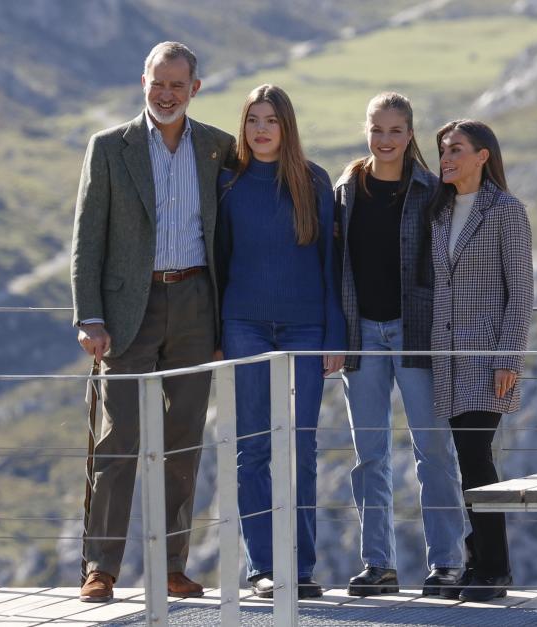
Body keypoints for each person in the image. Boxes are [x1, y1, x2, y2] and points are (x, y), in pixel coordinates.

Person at [70, 41, 236, 603]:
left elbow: (233, 235)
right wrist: (89, 316)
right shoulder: (109, 147)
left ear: (195, 89)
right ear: (142, 81)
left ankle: (171, 565)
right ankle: (101, 568)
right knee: (117, 439)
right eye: (157, 83)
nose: (166, 94)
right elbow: (87, 238)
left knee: (183, 440)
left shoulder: (219, 148)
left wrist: (225, 322)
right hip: (125, 314)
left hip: (195, 305)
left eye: (177, 85)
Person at [216, 84, 345, 600]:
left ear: (287, 126)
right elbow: (219, 263)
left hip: (307, 329)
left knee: (303, 448)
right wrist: (217, 335)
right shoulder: (228, 183)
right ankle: (263, 569)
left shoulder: (313, 182)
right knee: (253, 449)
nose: (261, 129)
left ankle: (302, 567)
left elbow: (331, 266)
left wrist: (335, 334)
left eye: (271, 119)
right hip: (244, 325)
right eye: (253, 120)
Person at [335, 93, 466, 597]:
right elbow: (335, 266)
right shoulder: (347, 190)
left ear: (410, 134)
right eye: (376, 129)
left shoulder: (433, 191)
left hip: (418, 335)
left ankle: (449, 565)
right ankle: (379, 566)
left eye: (395, 131)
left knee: (433, 451)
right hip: (361, 335)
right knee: (369, 455)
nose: (384, 140)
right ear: (365, 130)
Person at [428, 119, 534, 602]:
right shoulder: (440, 211)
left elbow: (522, 291)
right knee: (464, 460)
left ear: (483, 156)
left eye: (455, 150)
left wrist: (507, 356)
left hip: (488, 356)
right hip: (445, 357)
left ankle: (494, 569)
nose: (446, 159)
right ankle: (479, 565)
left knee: (475, 457)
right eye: (443, 151)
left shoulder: (506, 210)